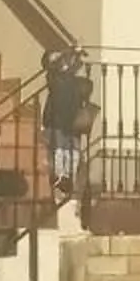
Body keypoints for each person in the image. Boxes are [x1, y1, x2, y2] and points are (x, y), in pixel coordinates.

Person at [41, 48, 95, 197]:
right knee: (60, 148)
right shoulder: (53, 76)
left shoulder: (68, 75)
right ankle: (61, 176)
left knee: (73, 148)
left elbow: (75, 65)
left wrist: (76, 53)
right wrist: (69, 53)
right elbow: (62, 66)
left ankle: (69, 176)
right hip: (59, 118)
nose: (61, 61)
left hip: (71, 117)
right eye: (56, 59)